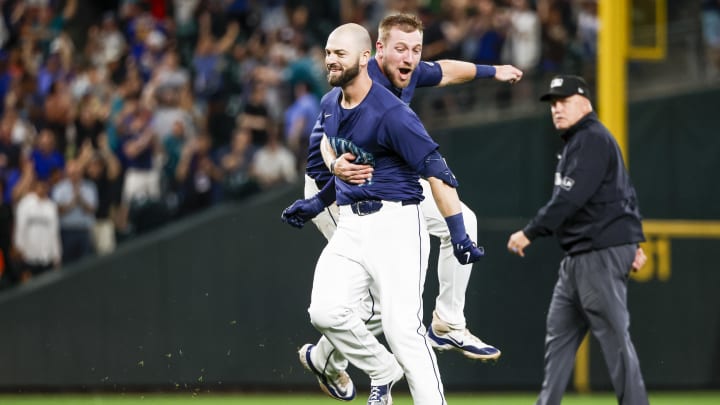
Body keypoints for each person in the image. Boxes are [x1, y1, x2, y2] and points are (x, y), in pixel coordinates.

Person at [285, 13, 522, 402]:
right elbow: (327, 140)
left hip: (389, 180)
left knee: (463, 223)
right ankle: (335, 360)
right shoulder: (358, 81)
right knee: (367, 301)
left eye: (415, 50)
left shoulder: (403, 74)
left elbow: (444, 71)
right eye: (400, 49)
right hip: (337, 184)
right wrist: (326, 180)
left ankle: (447, 322)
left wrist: (491, 70)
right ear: (375, 52)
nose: (410, 57)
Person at [506, 74, 649, 405]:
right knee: (559, 339)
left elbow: (572, 199)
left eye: (564, 101)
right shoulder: (578, 142)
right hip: (578, 256)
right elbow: (623, 190)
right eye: (553, 103)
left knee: (614, 340)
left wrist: (531, 231)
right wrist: (633, 239)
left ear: (585, 103)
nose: (556, 108)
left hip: (597, 252)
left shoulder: (591, 139)